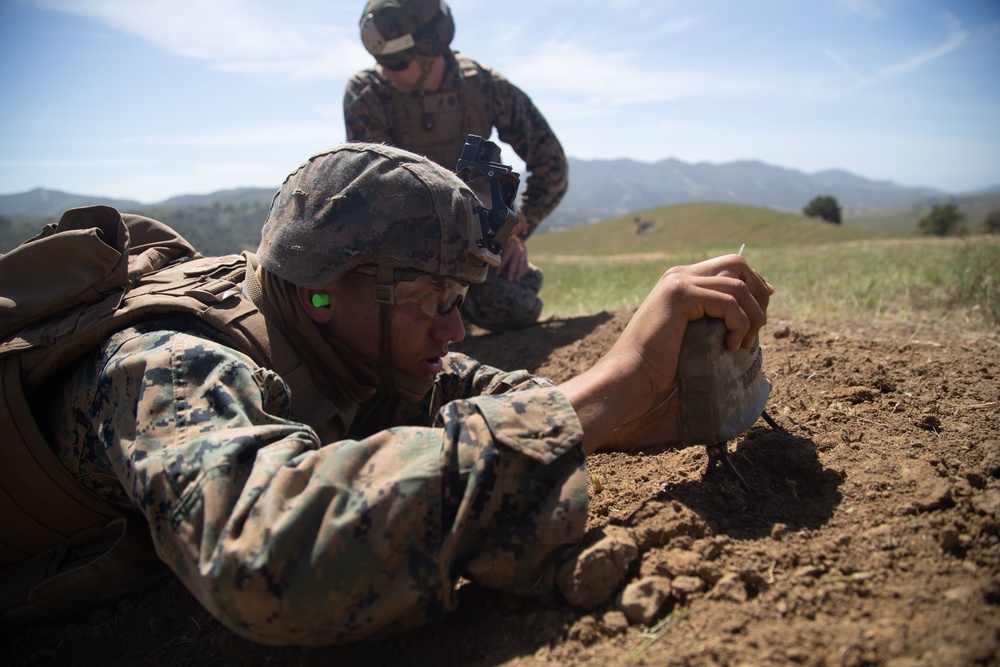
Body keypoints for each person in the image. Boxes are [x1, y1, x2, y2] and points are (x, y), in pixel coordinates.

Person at [31, 143, 771, 646]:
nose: (453, 324)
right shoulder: (166, 364)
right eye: (424, 294)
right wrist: (611, 387)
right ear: (320, 291)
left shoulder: (355, 347)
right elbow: (260, 563)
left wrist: (654, 398)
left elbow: (489, 395)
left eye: (458, 294)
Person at [343, 0, 568, 332]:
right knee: (376, 324)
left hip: (475, 246)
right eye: (380, 61)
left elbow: (550, 163)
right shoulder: (369, 94)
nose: (386, 71)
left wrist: (510, 231)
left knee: (513, 307)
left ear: (431, 49)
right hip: (405, 247)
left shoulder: (485, 87)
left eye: (398, 61)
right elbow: (378, 195)